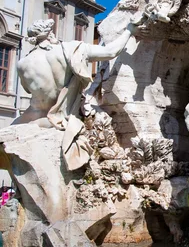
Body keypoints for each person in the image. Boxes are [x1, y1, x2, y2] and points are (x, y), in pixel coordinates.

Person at [14, 18, 136, 169]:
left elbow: (27, 89)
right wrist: (130, 30)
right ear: (50, 34)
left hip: (37, 118)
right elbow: (110, 51)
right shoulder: (70, 49)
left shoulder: (22, 64)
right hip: (65, 117)